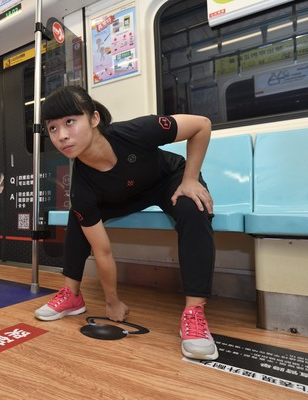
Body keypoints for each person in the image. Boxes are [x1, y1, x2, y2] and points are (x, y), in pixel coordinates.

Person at [34, 86, 218, 361]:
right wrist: (112, 301)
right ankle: (72, 295)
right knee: (78, 215)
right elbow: (103, 251)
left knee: (193, 207)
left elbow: (202, 125)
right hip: (122, 196)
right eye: (52, 128)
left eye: (70, 122)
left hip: (166, 179)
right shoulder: (82, 188)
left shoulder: (134, 132)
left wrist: (190, 179)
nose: (61, 136)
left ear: (94, 119)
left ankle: (194, 312)